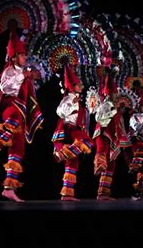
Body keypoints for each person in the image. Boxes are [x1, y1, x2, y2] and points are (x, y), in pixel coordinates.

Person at [0, 24, 43, 202]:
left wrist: (31, 78)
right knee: (13, 119)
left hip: (21, 112)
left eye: (24, 54)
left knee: (18, 149)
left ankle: (9, 188)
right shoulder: (9, 70)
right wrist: (25, 77)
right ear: (14, 57)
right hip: (10, 107)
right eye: (22, 55)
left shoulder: (24, 72)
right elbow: (6, 87)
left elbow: (29, 95)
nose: (24, 57)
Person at [52, 65, 93, 201]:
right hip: (69, 129)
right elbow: (60, 112)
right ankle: (63, 153)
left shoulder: (78, 100)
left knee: (73, 162)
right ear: (72, 86)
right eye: (78, 84)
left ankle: (67, 194)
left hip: (75, 129)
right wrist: (71, 103)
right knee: (87, 142)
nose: (81, 86)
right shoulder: (68, 98)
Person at [92, 68, 129, 201]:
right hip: (102, 134)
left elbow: (120, 125)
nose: (115, 95)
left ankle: (103, 193)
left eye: (115, 93)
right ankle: (99, 167)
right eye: (113, 93)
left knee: (112, 162)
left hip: (113, 137)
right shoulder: (105, 105)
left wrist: (123, 138)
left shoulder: (116, 107)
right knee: (102, 153)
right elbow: (100, 119)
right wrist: (113, 111)